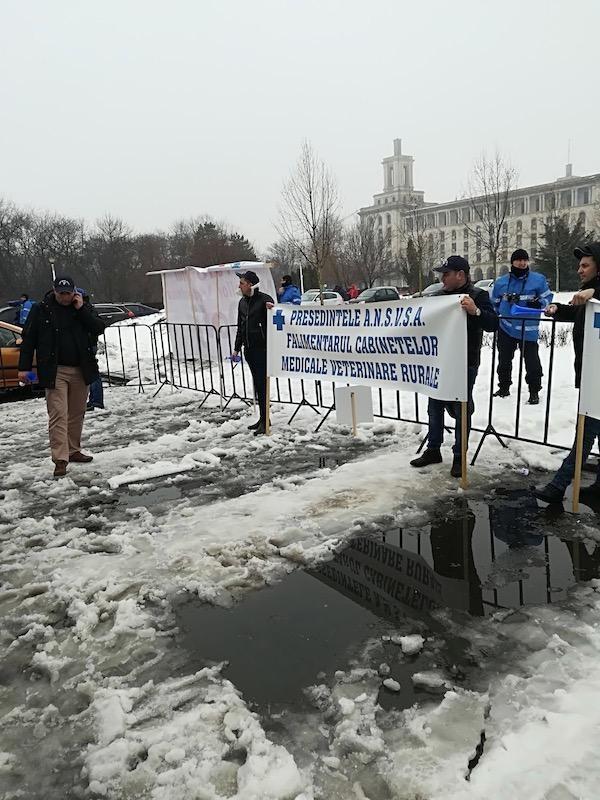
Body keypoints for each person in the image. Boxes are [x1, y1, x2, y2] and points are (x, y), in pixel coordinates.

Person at [410, 256, 498, 477]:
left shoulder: (479, 295)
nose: (442, 278)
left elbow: (493, 324)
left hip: (465, 362)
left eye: (446, 274)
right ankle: (433, 449)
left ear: (461, 274)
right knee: (434, 406)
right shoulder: (438, 297)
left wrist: (475, 311)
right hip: (439, 362)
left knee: (461, 410)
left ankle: (459, 456)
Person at [18, 275, 106, 478]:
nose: (64, 297)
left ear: (74, 292)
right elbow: (28, 339)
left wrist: (81, 308)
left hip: (80, 369)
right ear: (54, 291)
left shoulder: (83, 307)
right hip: (54, 370)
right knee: (58, 414)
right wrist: (24, 368)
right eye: (61, 293)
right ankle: (60, 459)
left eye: (68, 293)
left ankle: (73, 450)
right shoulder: (41, 309)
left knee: (76, 413)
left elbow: (98, 328)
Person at [534, 244, 600, 504]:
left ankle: (558, 486)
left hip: (597, 380)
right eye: (579, 265)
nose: (579, 269)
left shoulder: (593, 294)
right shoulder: (588, 297)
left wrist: (595, 291)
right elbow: (576, 312)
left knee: (585, 433)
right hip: (591, 375)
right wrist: (557, 309)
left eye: (585, 265)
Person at [491, 248, 553, 405]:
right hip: (506, 328)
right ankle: (504, 387)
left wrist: (539, 303)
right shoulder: (501, 282)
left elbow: (548, 298)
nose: (522, 262)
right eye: (518, 260)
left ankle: (534, 391)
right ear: (512, 262)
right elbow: (494, 303)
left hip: (528, 330)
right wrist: (500, 315)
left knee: (532, 363)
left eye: (524, 260)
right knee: (504, 361)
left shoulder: (538, 280)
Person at [232, 270, 274, 435]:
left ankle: (266, 421)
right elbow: (240, 327)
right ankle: (263, 419)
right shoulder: (242, 303)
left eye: (242, 282)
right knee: (257, 386)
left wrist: (273, 309)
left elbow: (276, 318)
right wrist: (237, 348)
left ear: (250, 284)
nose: (239, 286)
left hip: (263, 349)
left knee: (263, 386)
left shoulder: (264, 300)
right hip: (249, 349)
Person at [78, 289, 105, 411]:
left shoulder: (86, 310)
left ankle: (96, 401)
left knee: (92, 373)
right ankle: (94, 400)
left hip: (88, 344)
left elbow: (96, 326)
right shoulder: (88, 309)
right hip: (87, 344)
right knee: (90, 373)